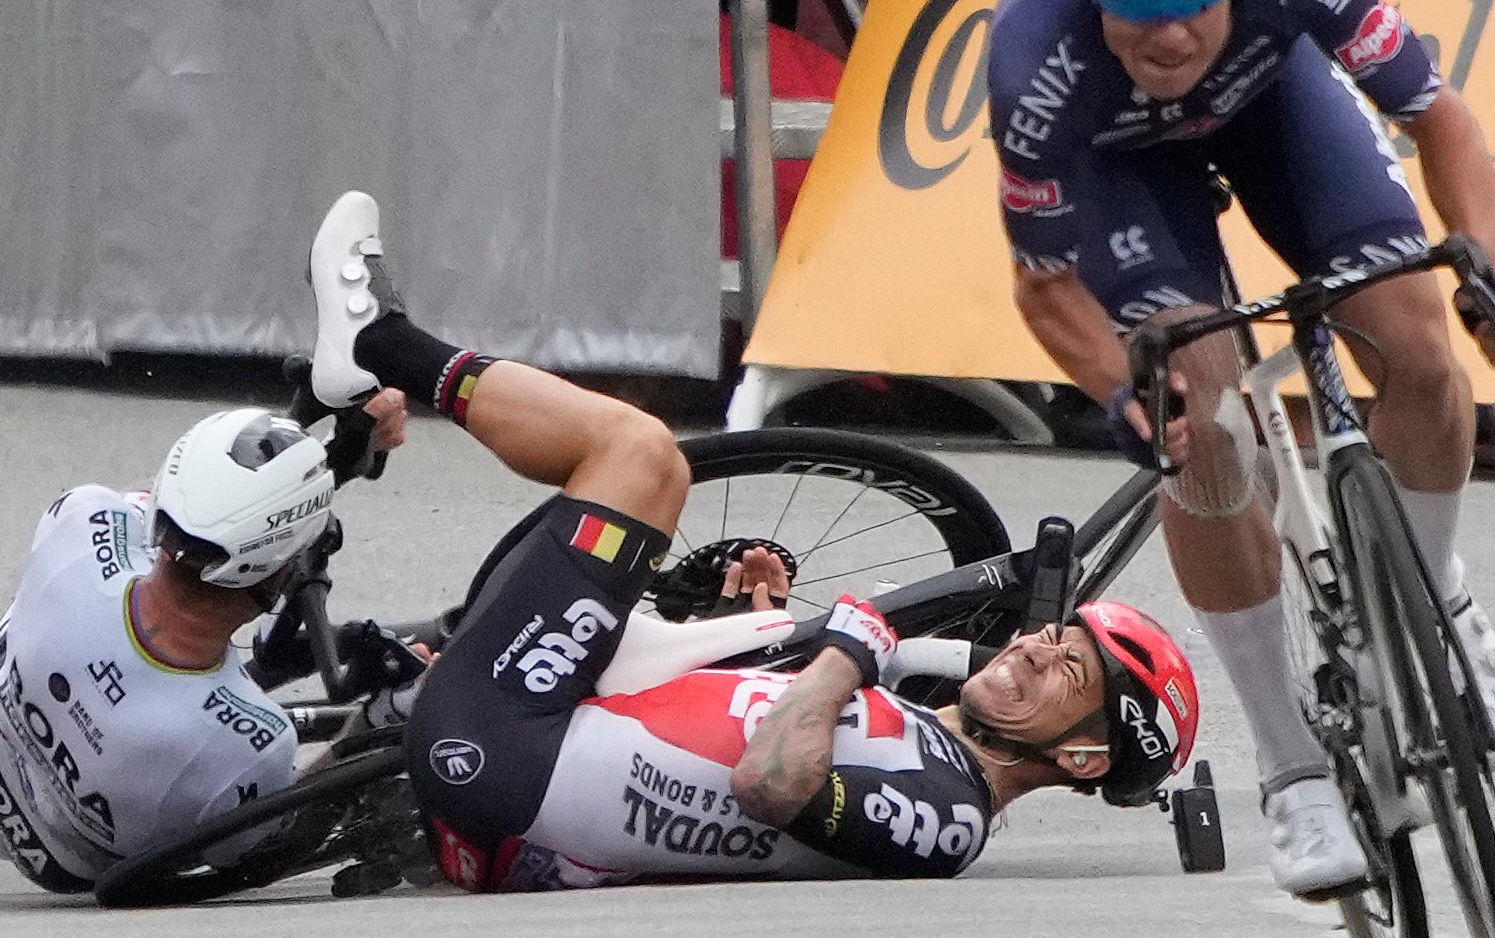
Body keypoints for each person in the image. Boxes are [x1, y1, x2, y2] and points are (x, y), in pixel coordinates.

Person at [304, 189, 1203, 890]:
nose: (1036, 648)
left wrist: (843, 657)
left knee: (642, 460)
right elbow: (742, 738)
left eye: (1068, 672)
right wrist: (757, 626)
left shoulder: (951, 820)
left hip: (502, 758)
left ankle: (382, 346)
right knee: (630, 508)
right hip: (523, 756)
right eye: (1057, 637)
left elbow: (772, 784)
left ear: (1082, 755)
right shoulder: (921, 738)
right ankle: (326, 453)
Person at [986, 0, 1495, 899]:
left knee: (1416, 345)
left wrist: (1490, 274)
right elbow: (1045, 285)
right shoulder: (1034, 51)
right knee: (1203, 430)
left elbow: (1436, 115)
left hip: (1273, 100)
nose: (1170, 27)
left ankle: (1435, 590)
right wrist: (1124, 394)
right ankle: (1292, 769)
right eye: (1135, 1)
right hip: (1120, 175)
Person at [0, 390, 408, 891]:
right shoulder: (256, 744)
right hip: (74, 865)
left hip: (2, 753)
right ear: (282, 575)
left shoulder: (81, 520)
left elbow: (192, 516)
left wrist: (319, 464)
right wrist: (369, 727)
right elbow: (267, 851)